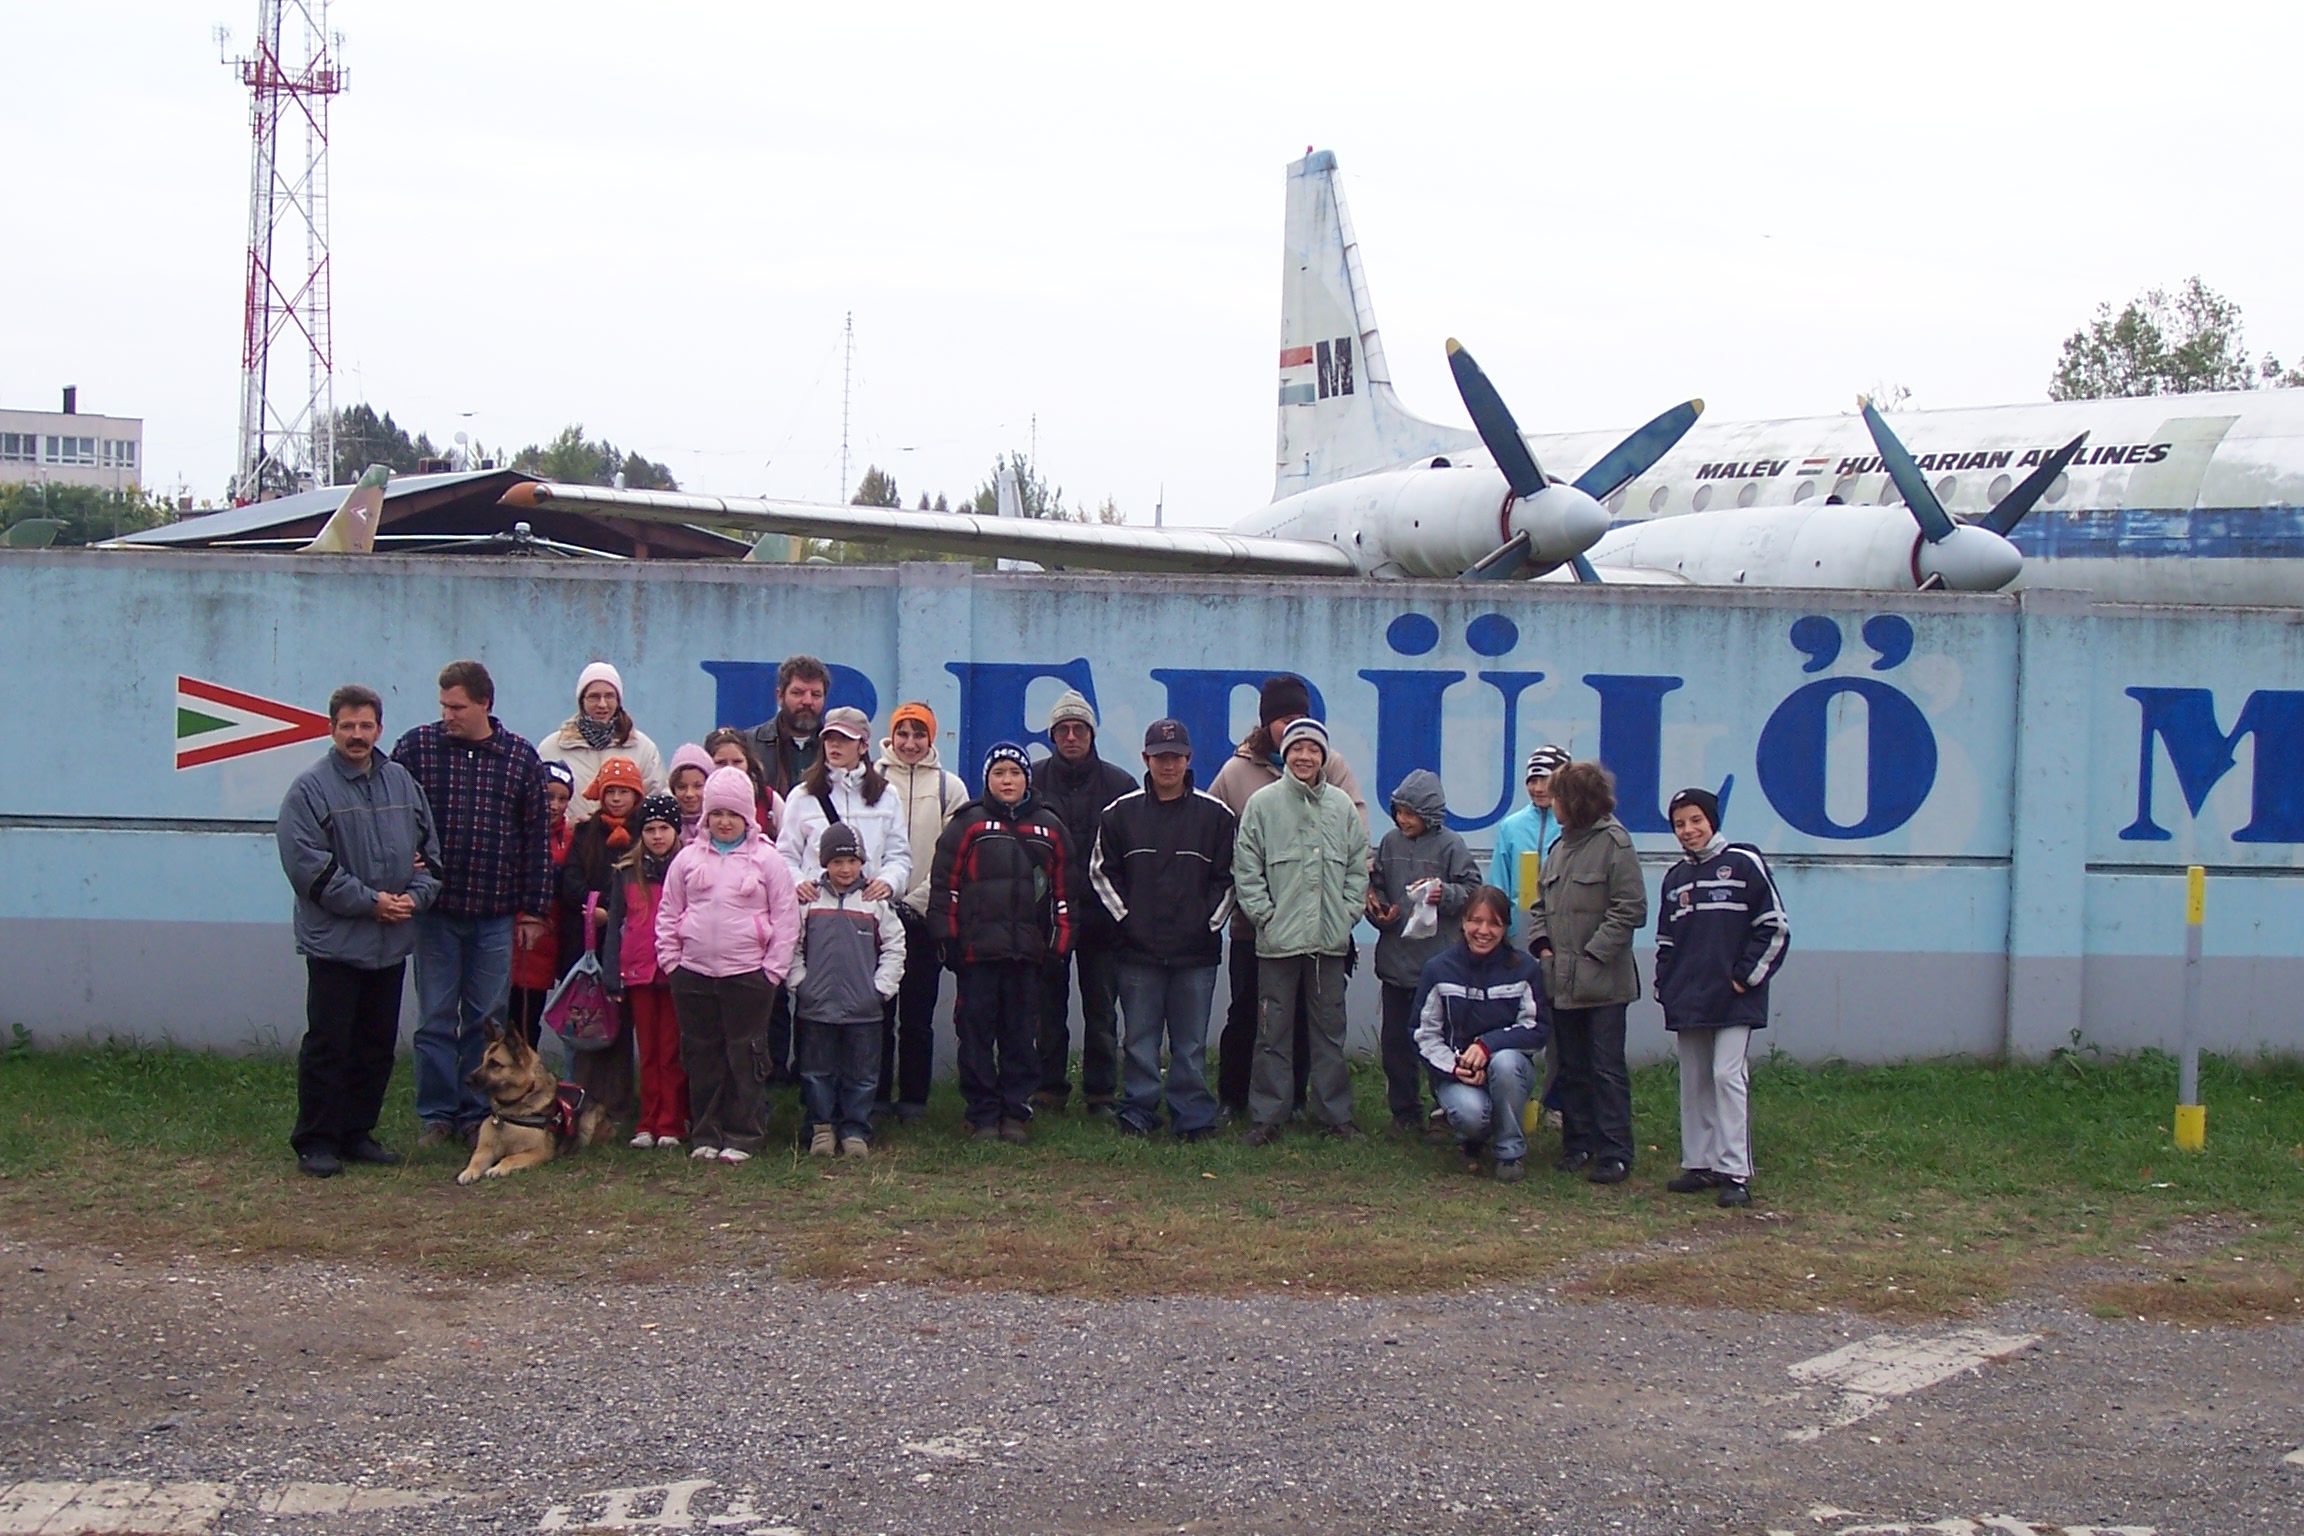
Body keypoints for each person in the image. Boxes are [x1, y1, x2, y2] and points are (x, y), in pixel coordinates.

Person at [277, 685, 442, 1178]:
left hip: (389, 944)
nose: (356, 735)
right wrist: (372, 903)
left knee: (375, 1044)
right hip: (336, 944)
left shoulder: (402, 784)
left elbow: (430, 856)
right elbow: (308, 868)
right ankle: (317, 1140)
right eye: (347, 726)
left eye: (365, 726)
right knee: (330, 1043)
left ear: (379, 729)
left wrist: (413, 898)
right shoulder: (309, 790)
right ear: (332, 729)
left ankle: (357, 1133)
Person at [391, 659, 552, 1147]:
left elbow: (536, 839)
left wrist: (533, 910)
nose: (448, 715)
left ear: (485, 703)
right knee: (436, 1018)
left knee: (486, 1018)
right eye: (443, 705)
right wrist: (405, 857)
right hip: (437, 912)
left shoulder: (521, 758)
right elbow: (391, 811)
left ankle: (479, 1113)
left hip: (496, 914)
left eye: (457, 706)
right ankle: (437, 1115)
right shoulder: (417, 748)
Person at [1207, 675, 1368, 1121]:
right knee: (1252, 1018)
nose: (1299, 744)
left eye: (1301, 721)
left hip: (1324, 929)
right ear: (1267, 723)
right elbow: (1228, 845)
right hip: (1258, 931)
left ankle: (1301, 1103)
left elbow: (1357, 844)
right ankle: (1238, 1101)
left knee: (1315, 1024)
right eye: (1284, 721)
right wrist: (1262, 914)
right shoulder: (1238, 774)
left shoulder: (1333, 770)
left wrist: (1346, 913)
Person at [1089, 719, 1235, 1141]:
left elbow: (1230, 879)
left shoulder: (1216, 816)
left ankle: (1192, 1116)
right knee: (1139, 1040)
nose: (1167, 765)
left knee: (1190, 1044)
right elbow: (1101, 873)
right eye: (1159, 757)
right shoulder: (1120, 814)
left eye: (1175, 757)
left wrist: (1208, 925)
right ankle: (1138, 1109)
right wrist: (1126, 920)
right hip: (1136, 952)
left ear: (1188, 759)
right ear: (1145, 759)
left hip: (1197, 954)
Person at [929, 742, 1073, 1145]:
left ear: (1028, 778)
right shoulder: (967, 824)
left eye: (1014, 772)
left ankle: (1015, 1111)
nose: (1007, 781)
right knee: (974, 1034)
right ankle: (982, 1114)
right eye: (999, 773)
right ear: (987, 780)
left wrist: (1059, 944)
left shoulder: (1050, 827)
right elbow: (945, 886)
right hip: (977, 954)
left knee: (1020, 1035)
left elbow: (1065, 893)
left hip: (1028, 954)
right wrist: (947, 938)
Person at [1654, 786, 1790, 1209]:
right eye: (1679, 824)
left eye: (1696, 820)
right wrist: (1666, 986)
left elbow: (1775, 927)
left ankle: (1735, 1171)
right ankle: (1700, 1163)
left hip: (1733, 998)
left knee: (1726, 1076)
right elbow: (1665, 942)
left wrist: (1744, 978)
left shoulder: (1744, 863)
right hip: (1689, 999)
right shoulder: (1675, 878)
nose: (1689, 830)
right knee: (1694, 1079)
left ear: (1712, 820)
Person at [656, 766, 799, 1164]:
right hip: (694, 974)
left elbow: (787, 919)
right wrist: (672, 962)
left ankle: (743, 1134)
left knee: (745, 1057)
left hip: (749, 976)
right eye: (716, 813)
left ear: (747, 816)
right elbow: (669, 912)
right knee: (702, 1056)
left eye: (732, 814)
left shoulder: (767, 861)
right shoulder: (686, 860)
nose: (723, 822)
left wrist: (772, 971)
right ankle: (705, 1133)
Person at [1526, 761, 1648, 1185]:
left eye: (1557, 795)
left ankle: (1615, 1151)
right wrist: (1540, 943)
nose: (1550, 801)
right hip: (1559, 980)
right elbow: (1539, 903)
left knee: (1605, 1067)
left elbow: (1630, 908)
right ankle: (1578, 1143)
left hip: (1605, 984)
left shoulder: (1615, 844)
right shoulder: (1559, 847)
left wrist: (1593, 955)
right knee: (1571, 1066)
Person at [1029, 689, 1136, 1117]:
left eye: (1079, 729)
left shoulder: (1120, 784)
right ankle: (1048, 1089)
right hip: (1046, 918)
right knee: (1047, 1009)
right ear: (1053, 735)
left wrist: (1125, 909)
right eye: (1063, 729)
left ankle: (1101, 1093)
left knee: (1101, 1009)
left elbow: (1131, 852)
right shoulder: (1032, 780)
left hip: (1101, 918)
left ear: (1092, 734)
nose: (1071, 736)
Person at [1366, 769, 1479, 1134]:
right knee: (1396, 1044)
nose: (1403, 820)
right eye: (1399, 811)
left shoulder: (1451, 846)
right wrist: (1380, 909)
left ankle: (1447, 1108)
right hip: (1395, 964)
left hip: (1437, 968)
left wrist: (1443, 894)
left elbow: (1472, 891)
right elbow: (1377, 884)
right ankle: (1404, 1111)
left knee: (1440, 1044)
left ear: (1429, 815)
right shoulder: (1389, 843)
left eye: (1410, 814)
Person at [790, 822, 906, 1158]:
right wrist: (800, 983)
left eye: (852, 862)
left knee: (863, 1073)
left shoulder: (875, 901)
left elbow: (895, 946)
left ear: (862, 863)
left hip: (864, 1009)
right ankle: (821, 1128)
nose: (845, 869)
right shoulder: (809, 900)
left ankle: (856, 1128)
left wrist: (881, 989)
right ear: (824, 862)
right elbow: (792, 945)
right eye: (837, 862)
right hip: (816, 1006)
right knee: (816, 1070)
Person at [1413, 886, 1546, 1180]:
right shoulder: (1438, 969)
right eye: (1476, 921)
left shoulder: (1525, 970)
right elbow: (1423, 1034)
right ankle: (1471, 1138)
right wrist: (1455, 1067)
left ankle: (1509, 1153)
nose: (1483, 931)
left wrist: (1488, 1046)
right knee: (1473, 1115)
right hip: (1456, 1074)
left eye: (1494, 923)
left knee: (1506, 1062)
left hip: (1507, 1069)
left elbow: (1537, 1029)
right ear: (1463, 922)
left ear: (1505, 928)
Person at [876, 702, 969, 1121]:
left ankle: (913, 1098)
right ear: (891, 737)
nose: (910, 743)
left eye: (919, 735)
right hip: (874, 913)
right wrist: (881, 895)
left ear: (931, 739)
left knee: (917, 1014)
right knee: (876, 1012)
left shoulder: (951, 788)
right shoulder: (871, 781)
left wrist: (917, 901)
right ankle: (875, 1096)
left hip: (924, 916)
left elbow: (953, 856)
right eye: (903, 734)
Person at [559, 757, 648, 1125]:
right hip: (588, 941)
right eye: (610, 791)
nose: (616, 799)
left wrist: (617, 914)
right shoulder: (585, 834)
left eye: (623, 791)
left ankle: (621, 1105)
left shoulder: (647, 831)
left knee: (624, 1025)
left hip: (633, 941)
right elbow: (571, 880)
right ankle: (582, 1100)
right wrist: (591, 906)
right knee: (588, 1023)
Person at [600, 793, 688, 1150]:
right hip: (636, 971)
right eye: (650, 829)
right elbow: (615, 924)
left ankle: (671, 1122)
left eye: (664, 828)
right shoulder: (625, 873)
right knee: (647, 1051)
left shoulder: (687, 867)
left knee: (671, 1051)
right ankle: (646, 1121)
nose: (656, 836)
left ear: (675, 831)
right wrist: (611, 972)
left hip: (674, 971)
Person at [779, 707, 912, 904]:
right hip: (815, 911)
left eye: (845, 738)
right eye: (829, 737)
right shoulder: (802, 796)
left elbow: (899, 855)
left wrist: (888, 882)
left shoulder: (886, 795)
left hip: (867, 911)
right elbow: (784, 855)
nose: (835, 744)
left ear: (863, 746)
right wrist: (798, 882)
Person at [539, 662, 666, 820]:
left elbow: (657, 799)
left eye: (609, 696)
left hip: (629, 842)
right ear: (581, 701)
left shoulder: (642, 748)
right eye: (594, 697)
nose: (602, 704)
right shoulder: (552, 748)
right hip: (569, 842)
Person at [507, 760, 577, 1047]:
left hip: (542, 947)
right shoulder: (513, 832)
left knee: (525, 1023)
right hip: (504, 938)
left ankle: (523, 1085)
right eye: (548, 796)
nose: (555, 805)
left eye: (563, 799)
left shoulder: (572, 840)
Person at [1489, 745, 1569, 942]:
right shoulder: (1511, 826)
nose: (1539, 788)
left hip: (1564, 933)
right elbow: (1497, 885)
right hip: (1518, 934)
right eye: (1533, 780)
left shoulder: (1575, 825)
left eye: (1546, 780)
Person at [744, 654, 829, 799]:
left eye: (816, 694)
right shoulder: (749, 745)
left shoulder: (836, 747)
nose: (807, 701)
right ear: (780, 696)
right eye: (798, 693)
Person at [704, 727, 784, 841]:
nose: (730, 768)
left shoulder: (769, 799)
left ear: (748, 762)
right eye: (721, 763)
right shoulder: (698, 798)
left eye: (737, 762)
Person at [667, 743, 716, 844]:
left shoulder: (718, 825)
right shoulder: (667, 825)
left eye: (698, 786)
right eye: (682, 787)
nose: (689, 794)